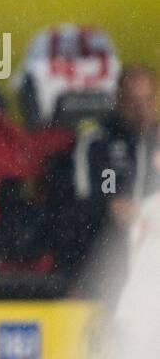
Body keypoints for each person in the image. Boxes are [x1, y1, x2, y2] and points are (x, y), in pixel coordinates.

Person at [48, 64, 158, 290]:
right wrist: (111, 203)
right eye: (134, 102)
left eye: (148, 101)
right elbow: (93, 192)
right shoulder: (101, 142)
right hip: (107, 250)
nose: (142, 110)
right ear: (119, 100)